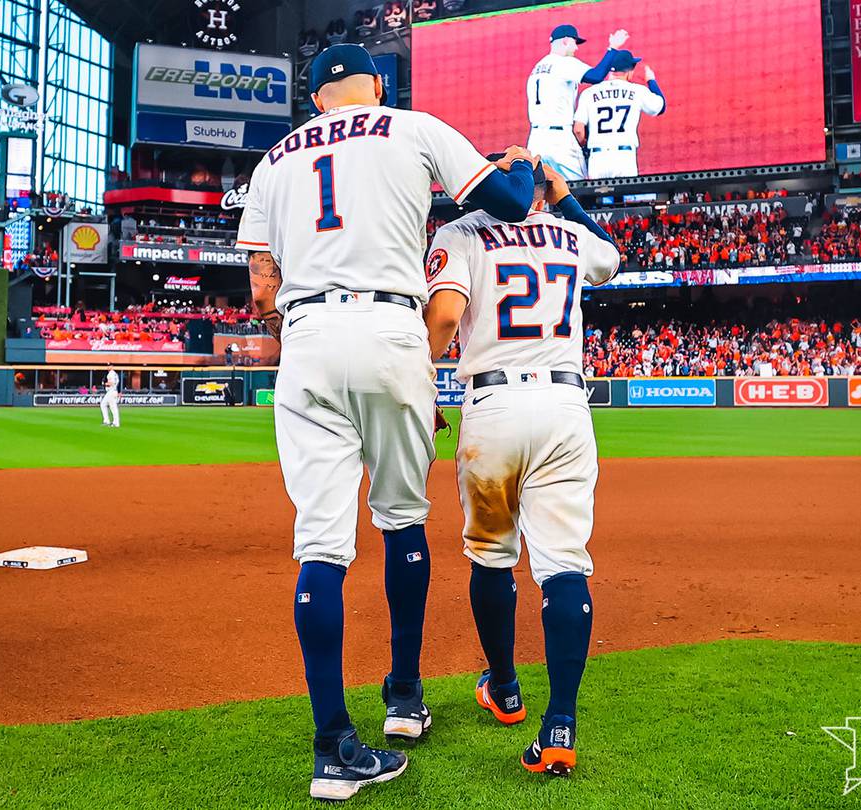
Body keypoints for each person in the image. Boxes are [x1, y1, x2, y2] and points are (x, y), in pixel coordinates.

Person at [233, 42, 540, 802]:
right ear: (378, 85)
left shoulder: (272, 161)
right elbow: (505, 202)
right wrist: (523, 166)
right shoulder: (412, 126)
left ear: (315, 98)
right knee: (402, 520)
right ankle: (403, 700)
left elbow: (261, 292)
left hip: (304, 341)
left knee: (320, 543)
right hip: (391, 329)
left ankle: (333, 745)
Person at [423, 161, 619, 775]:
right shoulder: (569, 233)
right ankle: (560, 722)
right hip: (565, 404)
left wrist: (422, 377)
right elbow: (611, 257)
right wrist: (566, 197)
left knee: (490, 553)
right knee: (564, 563)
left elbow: (448, 317)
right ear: (543, 190)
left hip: (494, 405)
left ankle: (505, 687)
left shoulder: (461, 232)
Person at [526, 24, 629, 180]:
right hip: (560, 142)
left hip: (535, 141)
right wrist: (612, 48)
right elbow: (596, 76)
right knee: (580, 189)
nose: (576, 48)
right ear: (566, 41)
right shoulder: (563, 63)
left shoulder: (537, 68)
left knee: (541, 193)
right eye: (574, 43)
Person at [573, 50, 666, 180]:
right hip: (624, 158)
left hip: (598, 159)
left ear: (609, 71)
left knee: (596, 197)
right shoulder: (637, 91)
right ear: (630, 72)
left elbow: (578, 129)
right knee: (626, 198)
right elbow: (660, 107)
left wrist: (584, 143)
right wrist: (651, 81)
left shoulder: (589, 93)